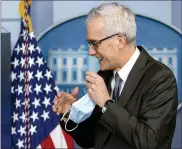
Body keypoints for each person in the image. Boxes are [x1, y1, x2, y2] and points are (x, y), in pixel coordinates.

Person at [52, 2, 178, 149]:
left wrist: (106, 103)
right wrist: (69, 113)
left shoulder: (160, 78)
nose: (91, 52)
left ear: (120, 40)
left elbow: (149, 142)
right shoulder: (104, 76)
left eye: (95, 43)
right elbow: (90, 139)